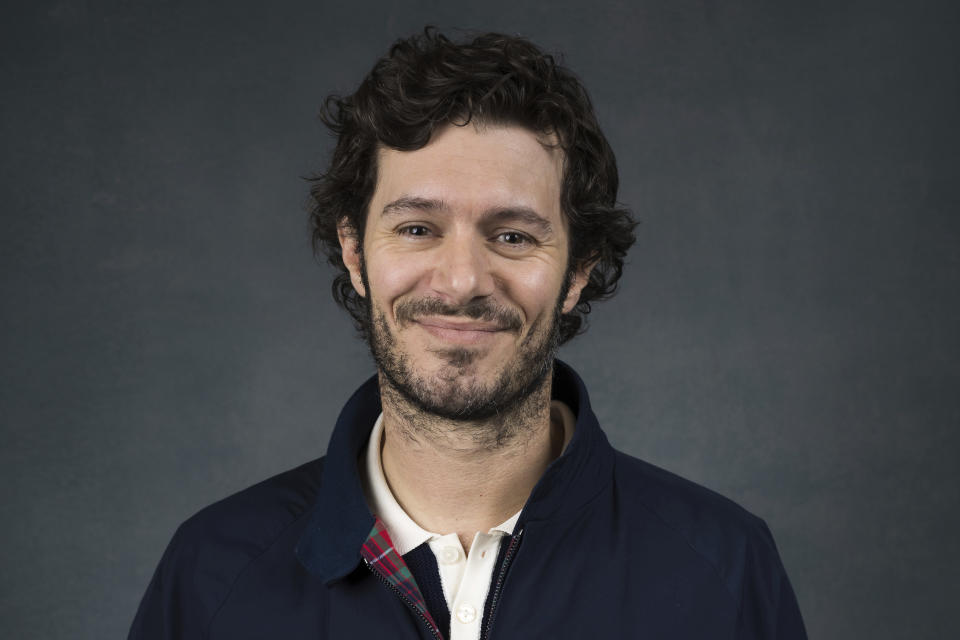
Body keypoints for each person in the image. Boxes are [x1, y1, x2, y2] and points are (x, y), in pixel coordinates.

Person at [129, 28, 807, 640]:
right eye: (418, 228)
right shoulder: (212, 578)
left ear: (576, 271)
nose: (460, 282)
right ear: (356, 252)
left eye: (512, 236)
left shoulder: (722, 570)